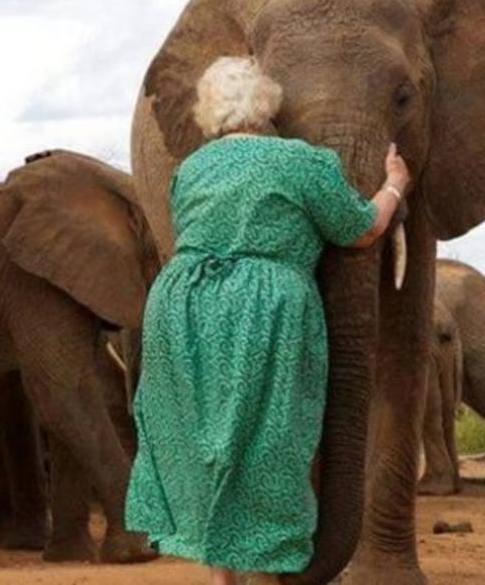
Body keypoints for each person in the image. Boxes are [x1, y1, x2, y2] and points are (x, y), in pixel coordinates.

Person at [125, 56, 410, 585]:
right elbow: (361, 230)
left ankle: (222, 579)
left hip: (182, 308)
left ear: (212, 115)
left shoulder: (192, 168)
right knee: (271, 444)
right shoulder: (300, 162)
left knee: (207, 444)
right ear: (269, 105)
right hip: (262, 309)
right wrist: (393, 185)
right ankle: (267, 576)